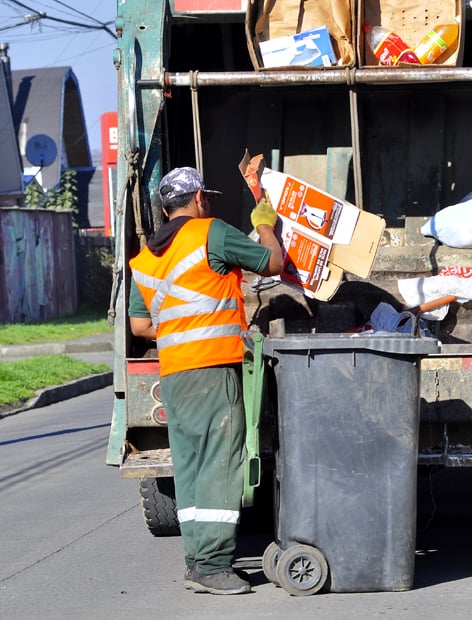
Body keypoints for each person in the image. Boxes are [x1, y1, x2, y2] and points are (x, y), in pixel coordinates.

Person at [128, 167, 283, 594]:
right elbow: (272, 261)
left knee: (192, 468)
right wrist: (264, 224)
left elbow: (141, 326)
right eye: (206, 198)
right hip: (213, 369)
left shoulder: (144, 259)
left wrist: (184, 328)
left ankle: (198, 562)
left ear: (164, 209)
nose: (207, 204)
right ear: (198, 200)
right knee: (220, 463)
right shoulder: (209, 232)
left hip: (176, 373)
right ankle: (214, 566)